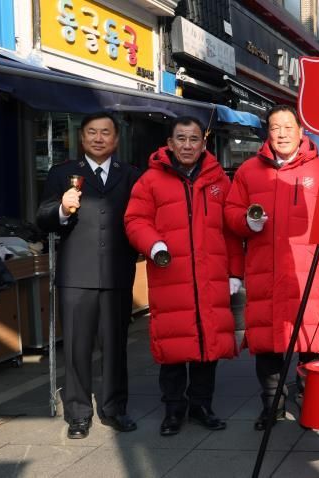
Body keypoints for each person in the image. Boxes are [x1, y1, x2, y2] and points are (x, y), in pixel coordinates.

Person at [224, 105, 319, 431]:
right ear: (268, 133)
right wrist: (246, 220)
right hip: (264, 271)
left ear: (301, 132)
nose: (283, 133)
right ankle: (271, 404)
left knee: (310, 342)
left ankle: (311, 403)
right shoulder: (248, 171)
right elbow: (231, 213)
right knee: (268, 344)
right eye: (276, 127)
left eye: (289, 127)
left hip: (309, 272)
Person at [125, 116, 242, 436]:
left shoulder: (219, 180)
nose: (188, 145)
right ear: (170, 143)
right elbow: (135, 221)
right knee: (173, 346)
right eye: (181, 139)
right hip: (170, 275)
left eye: (194, 139)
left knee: (208, 344)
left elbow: (231, 230)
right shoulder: (150, 181)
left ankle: (202, 405)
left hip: (211, 276)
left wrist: (235, 272)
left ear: (203, 144)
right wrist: (154, 243)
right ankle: (173, 410)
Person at [36, 112, 140, 439]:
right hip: (75, 276)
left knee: (115, 348)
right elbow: (41, 217)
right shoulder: (63, 174)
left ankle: (114, 408)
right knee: (77, 348)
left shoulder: (132, 176)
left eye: (105, 132)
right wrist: (62, 210)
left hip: (117, 275)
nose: (98, 138)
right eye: (92, 132)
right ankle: (78, 413)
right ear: (81, 139)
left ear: (116, 139)